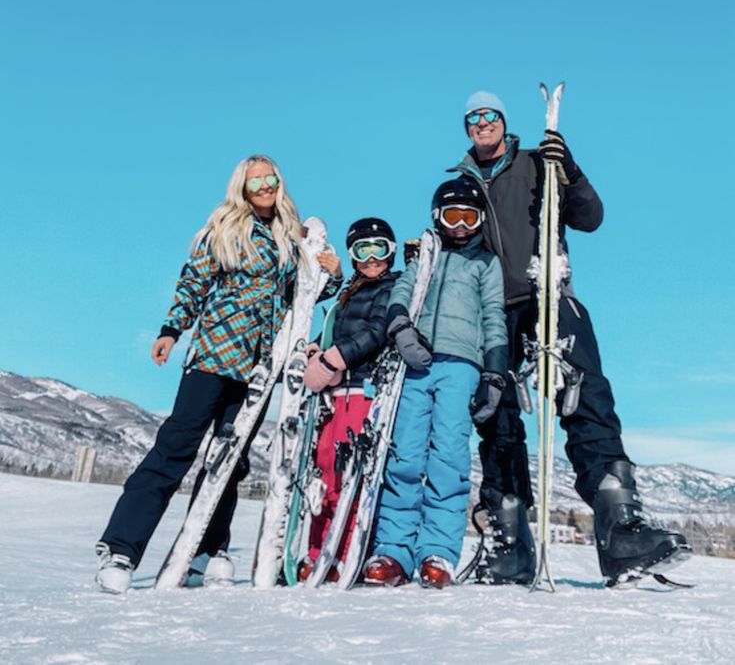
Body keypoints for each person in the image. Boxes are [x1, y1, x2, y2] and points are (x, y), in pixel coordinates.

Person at [451, 92, 690, 586]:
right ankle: (510, 542)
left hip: (549, 292)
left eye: (490, 115)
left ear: (503, 120)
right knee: (495, 417)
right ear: (466, 127)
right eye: (473, 118)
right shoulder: (458, 187)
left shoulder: (539, 164)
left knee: (586, 397)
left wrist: (571, 172)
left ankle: (620, 529)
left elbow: (590, 217)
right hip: (492, 310)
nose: (482, 123)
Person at [95, 155, 341, 593]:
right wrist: (172, 329)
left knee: (232, 457)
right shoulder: (226, 227)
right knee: (176, 447)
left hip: (259, 366)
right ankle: (121, 548)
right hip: (213, 354)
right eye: (256, 181)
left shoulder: (292, 234)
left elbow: (305, 296)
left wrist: (333, 276)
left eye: (271, 179)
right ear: (242, 189)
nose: (265, 186)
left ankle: (207, 548)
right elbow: (194, 281)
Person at [363, 177, 507, 589]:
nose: (460, 225)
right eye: (451, 216)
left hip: (461, 365)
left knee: (447, 457)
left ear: (479, 220)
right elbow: (401, 294)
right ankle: (392, 550)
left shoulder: (486, 263)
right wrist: (401, 331)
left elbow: (494, 317)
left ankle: (437, 552)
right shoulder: (423, 257)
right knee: (404, 456)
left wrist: (493, 372)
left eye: (468, 216)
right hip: (416, 362)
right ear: (436, 218)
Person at [298, 218, 400, 583]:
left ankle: (345, 553)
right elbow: (336, 326)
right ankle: (316, 551)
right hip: (331, 396)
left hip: (362, 392)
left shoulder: (393, 287)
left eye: (380, 249)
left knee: (349, 471)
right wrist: (317, 348)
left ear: (391, 251)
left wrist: (333, 359)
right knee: (323, 472)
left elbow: (376, 331)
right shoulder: (350, 291)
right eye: (363, 250)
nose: (372, 258)